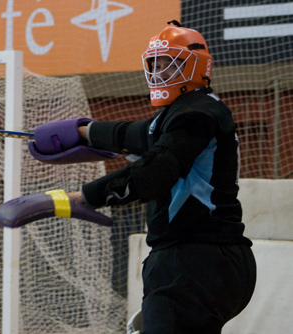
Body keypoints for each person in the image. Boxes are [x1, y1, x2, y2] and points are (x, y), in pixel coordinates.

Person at [30, 20, 257, 334]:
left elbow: (155, 172)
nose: (160, 71)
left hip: (194, 261)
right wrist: (82, 131)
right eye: (155, 63)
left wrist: (84, 196)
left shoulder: (195, 114)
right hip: (209, 262)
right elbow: (133, 133)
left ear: (198, 66)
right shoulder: (183, 112)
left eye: (170, 64)